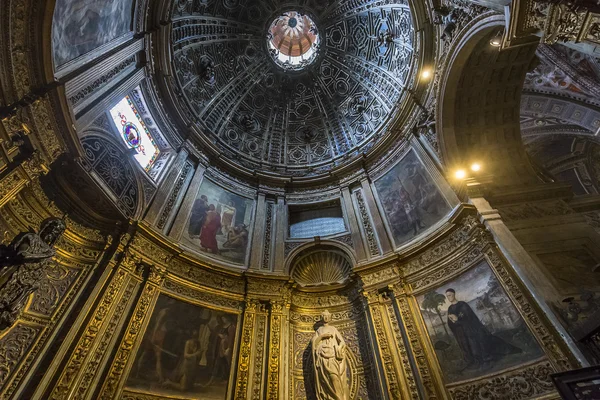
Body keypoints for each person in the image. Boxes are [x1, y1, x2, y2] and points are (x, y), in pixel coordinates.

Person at [445, 289, 522, 369]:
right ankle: (474, 361)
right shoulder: (450, 308)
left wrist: (457, 320)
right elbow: (450, 322)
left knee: (479, 345)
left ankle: (485, 359)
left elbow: (470, 318)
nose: (448, 297)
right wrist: (453, 321)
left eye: (449, 295)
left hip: (470, 330)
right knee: (468, 347)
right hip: (461, 333)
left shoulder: (463, 305)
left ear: (454, 294)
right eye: (447, 296)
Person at [312, 310, 350, 400]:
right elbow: (314, 343)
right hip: (322, 357)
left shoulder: (333, 329)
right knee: (325, 379)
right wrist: (322, 337)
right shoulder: (319, 330)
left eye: (327, 316)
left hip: (332, 356)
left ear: (329, 317)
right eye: (324, 316)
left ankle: (339, 397)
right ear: (322, 318)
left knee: (334, 377)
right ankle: (328, 397)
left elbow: (342, 342)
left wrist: (339, 348)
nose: (326, 318)